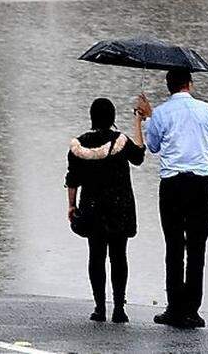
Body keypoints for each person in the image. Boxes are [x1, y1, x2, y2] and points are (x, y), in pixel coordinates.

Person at [135, 68, 208, 329]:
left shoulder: (160, 112)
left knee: (174, 246)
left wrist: (148, 117)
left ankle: (174, 308)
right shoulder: (206, 110)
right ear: (190, 84)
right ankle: (192, 310)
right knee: (197, 247)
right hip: (200, 184)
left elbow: (153, 146)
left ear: (168, 86)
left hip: (172, 184)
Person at [66, 98, 145, 323]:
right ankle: (119, 308)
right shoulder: (120, 141)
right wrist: (138, 121)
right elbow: (139, 157)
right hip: (120, 207)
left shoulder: (79, 146)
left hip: (92, 208)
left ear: (92, 117)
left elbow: (73, 179)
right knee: (119, 257)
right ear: (112, 118)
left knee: (96, 256)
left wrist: (71, 205)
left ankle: (99, 308)